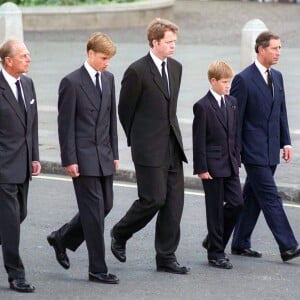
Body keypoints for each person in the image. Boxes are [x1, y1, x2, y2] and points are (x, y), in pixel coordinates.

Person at [110, 18, 189, 274]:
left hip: (172, 146)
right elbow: (124, 111)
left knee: (174, 205)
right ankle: (120, 232)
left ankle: (166, 257)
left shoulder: (176, 68)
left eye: (174, 42)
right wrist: (138, 140)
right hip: (148, 148)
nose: (173, 46)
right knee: (153, 199)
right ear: (155, 42)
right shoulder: (137, 71)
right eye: (169, 42)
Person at [46, 32, 119, 284]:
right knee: (94, 214)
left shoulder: (109, 79)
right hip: (83, 157)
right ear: (90, 53)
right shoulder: (71, 82)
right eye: (103, 58)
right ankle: (97, 269)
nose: (107, 62)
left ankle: (62, 238)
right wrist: (69, 159)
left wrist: (116, 154)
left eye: (109, 58)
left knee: (105, 206)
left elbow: (111, 120)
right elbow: (64, 126)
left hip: (105, 156)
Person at [230, 31, 300, 261]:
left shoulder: (277, 77)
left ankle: (237, 242)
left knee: (252, 197)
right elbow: (235, 119)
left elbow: (281, 111)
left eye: (280, 48)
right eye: (274, 48)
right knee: (270, 196)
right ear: (260, 49)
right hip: (252, 151)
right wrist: (235, 151)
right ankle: (288, 246)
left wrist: (286, 141)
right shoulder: (243, 79)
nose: (278, 52)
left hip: (270, 149)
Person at [193, 61, 243, 269]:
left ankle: (214, 240)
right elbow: (199, 140)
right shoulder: (202, 106)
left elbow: (235, 133)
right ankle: (215, 253)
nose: (228, 86)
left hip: (230, 163)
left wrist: (237, 157)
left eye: (229, 82)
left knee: (237, 203)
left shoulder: (232, 102)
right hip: (212, 166)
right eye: (224, 82)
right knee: (214, 209)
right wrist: (201, 168)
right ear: (213, 81)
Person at [0, 39, 41, 293]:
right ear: (8, 61)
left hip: (24, 164)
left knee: (19, 215)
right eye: (24, 55)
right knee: (11, 222)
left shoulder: (27, 83)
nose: (29, 59)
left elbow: (32, 125)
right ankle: (16, 275)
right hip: (3, 167)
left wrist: (35, 156)